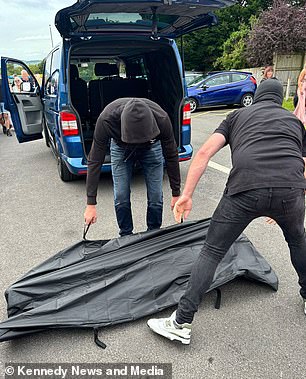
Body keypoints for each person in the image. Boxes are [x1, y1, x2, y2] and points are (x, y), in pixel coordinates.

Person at [147, 79, 306, 345]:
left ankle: (181, 322)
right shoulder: (295, 123)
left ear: (255, 97)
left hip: (245, 189)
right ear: (280, 100)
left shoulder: (237, 116)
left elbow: (204, 154)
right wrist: (289, 198)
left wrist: (186, 195)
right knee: (298, 241)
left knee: (212, 251)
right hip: (290, 191)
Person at [84, 98, 181, 236]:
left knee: (155, 196)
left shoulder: (162, 118)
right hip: (121, 148)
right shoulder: (107, 120)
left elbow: (171, 155)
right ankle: (126, 235)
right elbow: (95, 160)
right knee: (121, 195)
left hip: (151, 148)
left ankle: (153, 234)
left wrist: (176, 193)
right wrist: (90, 203)